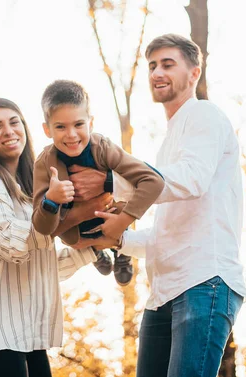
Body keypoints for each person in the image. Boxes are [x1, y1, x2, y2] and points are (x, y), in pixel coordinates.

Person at [96, 34, 246, 377]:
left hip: (204, 281)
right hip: (163, 293)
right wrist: (117, 237)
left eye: (167, 64)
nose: (156, 72)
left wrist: (115, 181)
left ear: (194, 73)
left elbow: (192, 178)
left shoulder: (205, 114)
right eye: (152, 66)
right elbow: (164, 236)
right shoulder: (168, 145)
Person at [0, 97, 119, 377]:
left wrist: (93, 246)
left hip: (27, 333)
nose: (9, 131)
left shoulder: (30, 188)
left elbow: (41, 264)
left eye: (14, 122)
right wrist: (65, 209)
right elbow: (12, 246)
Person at [31, 80, 165, 286]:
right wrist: (51, 200)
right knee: (68, 236)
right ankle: (93, 252)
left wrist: (121, 223)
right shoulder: (44, 164)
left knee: (121, 199)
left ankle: (122, 252)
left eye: (78, 124)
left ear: (90, 123)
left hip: (113, 219)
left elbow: (153, 181)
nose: (71, 134)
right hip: (76, 234)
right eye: (60, 127)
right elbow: (42, 227)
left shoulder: (102, 148)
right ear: (47, 130)